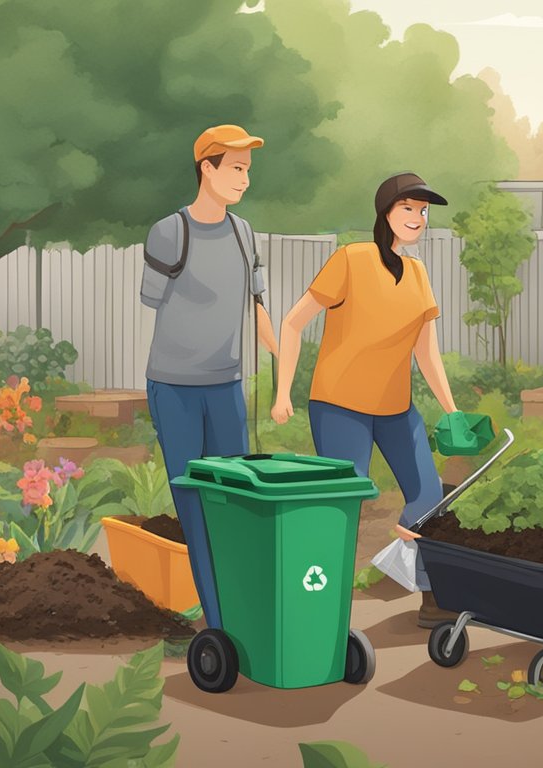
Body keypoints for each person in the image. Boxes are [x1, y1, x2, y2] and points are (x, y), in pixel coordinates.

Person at [272, 173, 462, 629]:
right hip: (341, 406)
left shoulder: (418, 273)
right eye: (408, 209)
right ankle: (313, 601)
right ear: (386, 214)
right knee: (343, 507)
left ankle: (433, 599)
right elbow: (294, 323)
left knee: (429, 497)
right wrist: (283, 393)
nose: (417, 219)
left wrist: (452, 410)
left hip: (396, 408)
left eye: (422, 212)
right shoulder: (351, 260)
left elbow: (426, 350)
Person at [140, 124, 279, 630]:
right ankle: (222, 626)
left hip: (227, 388)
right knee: (198, 509)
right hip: (175, 390)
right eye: (237, 168)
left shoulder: (244, 234)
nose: (245, 179)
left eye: (247, 170)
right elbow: (152, 299)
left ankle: (244, 612)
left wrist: (280, 358)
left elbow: (258, 304)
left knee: (236, 502)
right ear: (208, 168)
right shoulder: (169, 232)